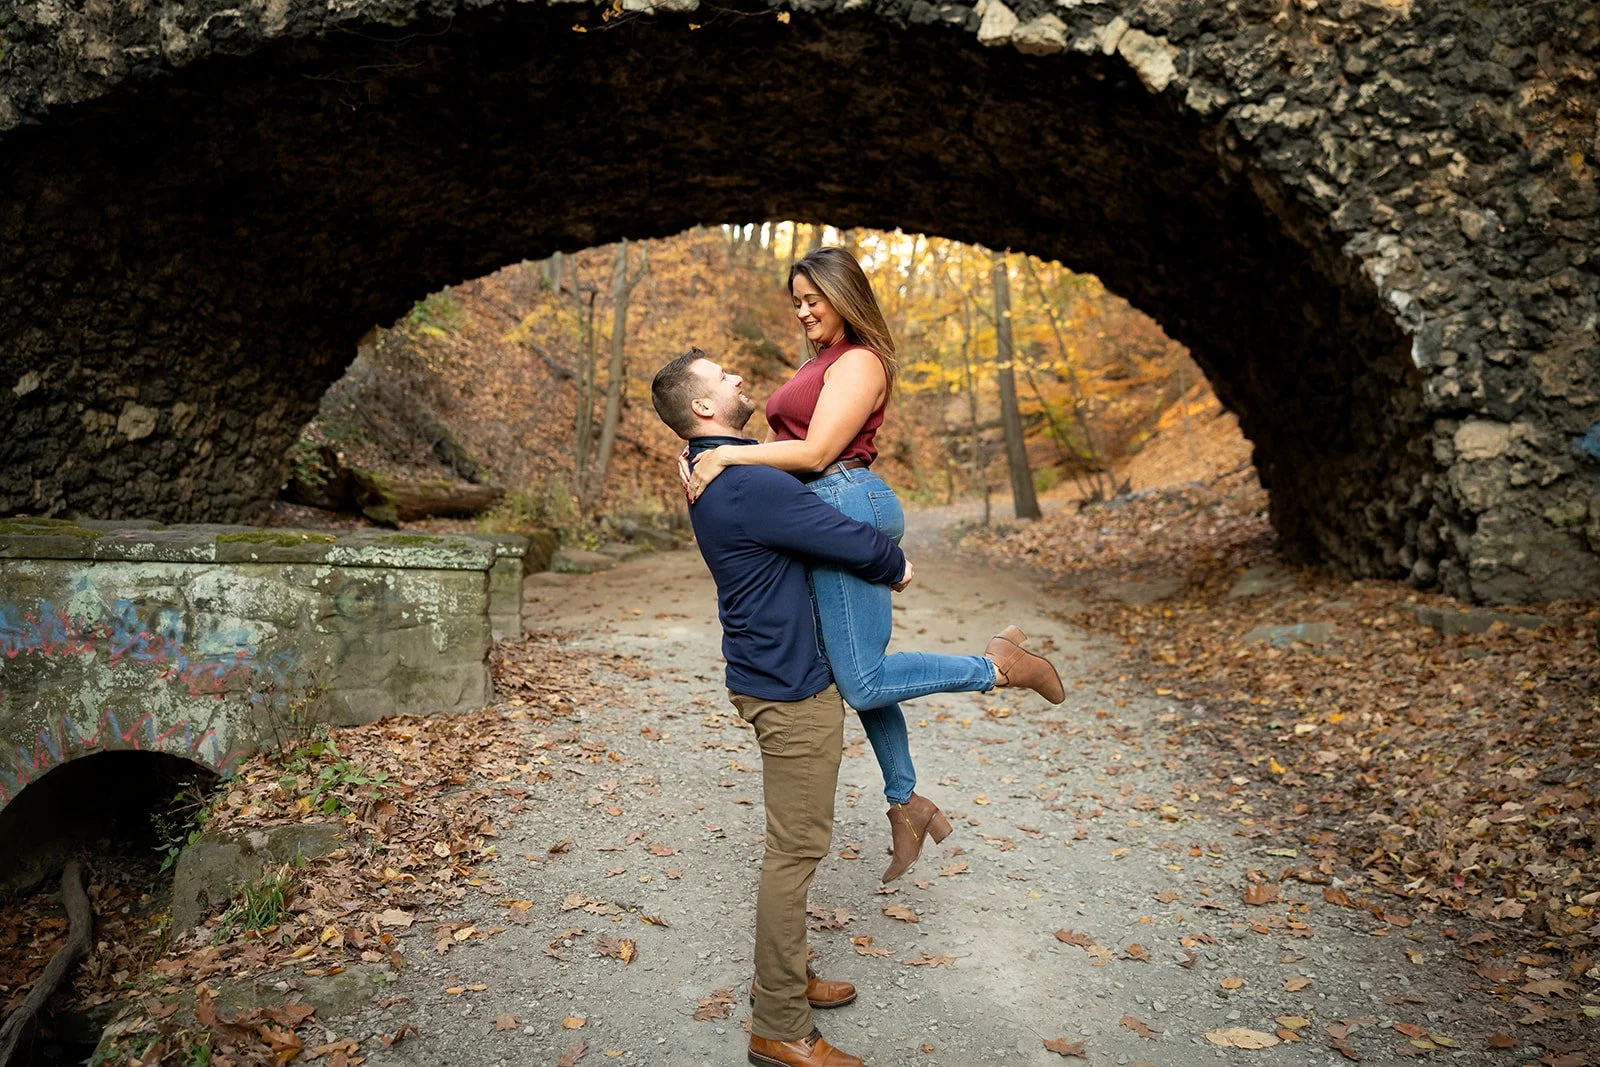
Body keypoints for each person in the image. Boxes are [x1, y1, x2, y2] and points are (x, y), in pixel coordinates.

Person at [682, 247, 1064, 883]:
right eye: (797, 301)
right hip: (824, 501)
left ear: (845, 295)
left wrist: (727, 458)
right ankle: (905, 800)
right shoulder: (821, 362)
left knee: (860, 679)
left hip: (846, 499)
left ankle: (999, 667)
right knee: (851, 670)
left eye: (814, 299)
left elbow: (819, 451)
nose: (804, 310)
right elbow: (791, 450)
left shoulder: (859, 361)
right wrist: (711, 451)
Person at [651, 347, 904, 1067]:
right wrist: (898, 564)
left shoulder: (721, 468)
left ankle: (785, 978)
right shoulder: (745, 484)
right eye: (723, 376)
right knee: (794, 852)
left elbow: (799, 465)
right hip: (790, 686)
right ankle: (780, 1025)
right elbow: (844, 535)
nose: (738, 378)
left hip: (767, 672)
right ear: (704, 409)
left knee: (791, 847)